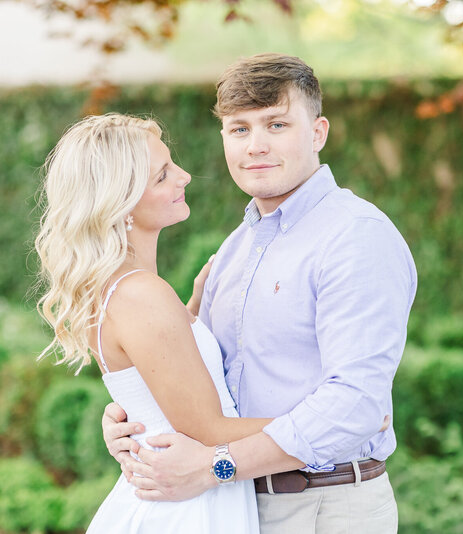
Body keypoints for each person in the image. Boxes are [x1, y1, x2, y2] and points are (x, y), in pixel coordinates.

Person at [102, 54, 417, 533]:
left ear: (318, 133)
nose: (257, 146)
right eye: (239, 129)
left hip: (323, 506)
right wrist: (131, 419)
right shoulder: (235, 249)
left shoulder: (355, 237)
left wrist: (214, 466)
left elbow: (355, 406)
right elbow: (193, 377)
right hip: (235, 507)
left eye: (276, 124)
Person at [34, 113, 293, 533]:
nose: (185, 176)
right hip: (187, 510)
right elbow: (209, 429)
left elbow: (157, 378)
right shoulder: (141, 294)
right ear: (121, 203)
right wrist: (330, 424)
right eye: (162, 176)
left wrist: (191, 310)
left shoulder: (122, 289)